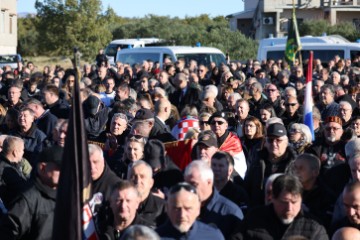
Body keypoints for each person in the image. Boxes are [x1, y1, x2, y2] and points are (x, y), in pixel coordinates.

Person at [0, 145, 63, 239]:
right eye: (59, 167)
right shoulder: (29, 199)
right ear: (42, 168)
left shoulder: (67, 196)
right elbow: (8, 232)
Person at [241, 174, 329, 240]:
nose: (289, 208)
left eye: (294, 202)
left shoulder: (314, 228)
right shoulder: (254, 218)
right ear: (273, 198)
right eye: (284, 202)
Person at [184, 160, 243, 239]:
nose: (189, 189)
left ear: (209, 182)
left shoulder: (230, 212)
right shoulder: (179, 208)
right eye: (186, 185)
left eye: (194, 184)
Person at [245, 122, 296, 206]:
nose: (274, 144)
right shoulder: (257, 161)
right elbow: (247, 187)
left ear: (286, 142)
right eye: (270, 140)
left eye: (278, 140)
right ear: (265, 142)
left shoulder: (295, 164)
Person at [156, 182, 225, 240]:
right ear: (168, 209)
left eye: (188, 209)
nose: (182, 215)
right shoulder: (154, 237)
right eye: (176, 209)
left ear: (198, 209)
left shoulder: (213, 236)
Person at [294, 153, 336, 228]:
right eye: (295, 168)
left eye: (301, 168)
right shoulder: (290, 189)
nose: (296, 171)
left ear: (315, 173)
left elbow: (326, 221)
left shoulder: (326, 196)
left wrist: (307, 211)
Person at [209, 111, 247, 179]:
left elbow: (239, 166)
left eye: (220, 123)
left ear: (226, 125)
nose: (216, 125)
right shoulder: (208, 140)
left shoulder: (233, 140)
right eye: (213, 123)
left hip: (232, 177)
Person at [128, 160, 166, 228]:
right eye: (133, 176)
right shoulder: (120, 205)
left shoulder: (163, 208)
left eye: (142, 177)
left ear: (151, 183)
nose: (138, 180)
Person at [0, 136, 29, 208]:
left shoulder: (15, 165)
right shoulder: (8, 172)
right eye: (22, 150)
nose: (23, 152)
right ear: (15, 152)